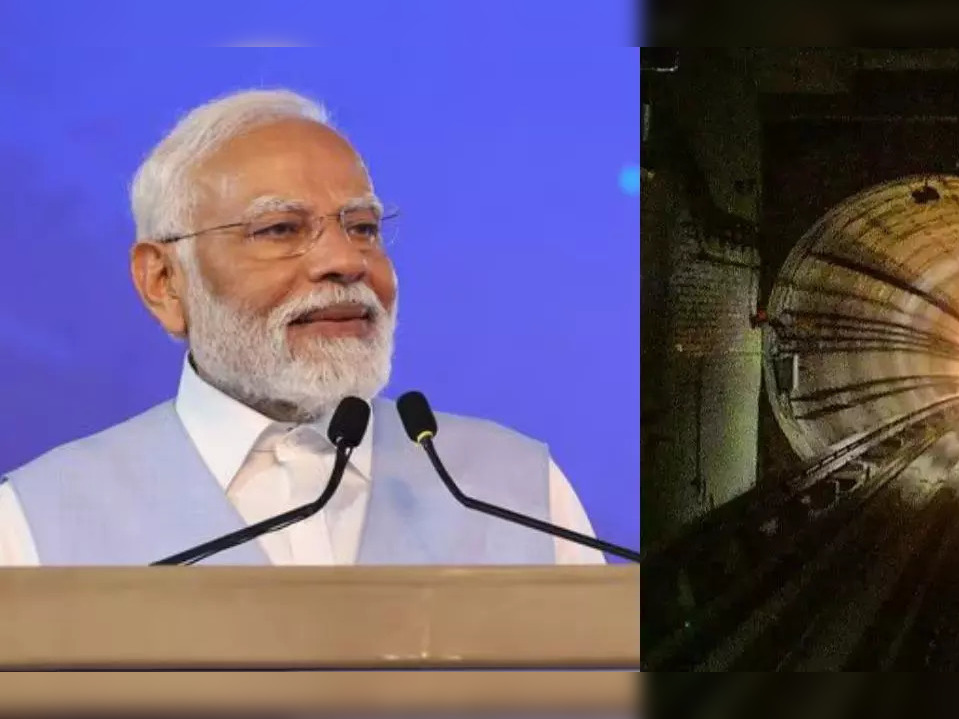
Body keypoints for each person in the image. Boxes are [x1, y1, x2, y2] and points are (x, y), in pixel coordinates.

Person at [0, 89, 604, 566]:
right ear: (164, 282)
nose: (346, 261)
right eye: (280, 230)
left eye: (363, 227)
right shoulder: (35, 522)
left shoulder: (517, 489)